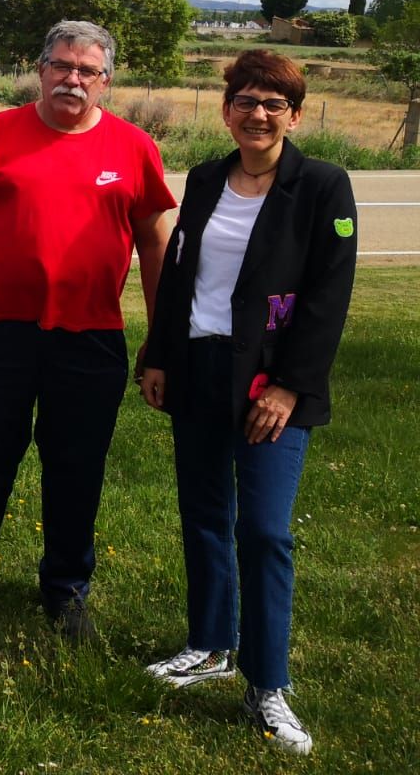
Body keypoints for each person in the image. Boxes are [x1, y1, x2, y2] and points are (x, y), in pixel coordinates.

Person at [0, 20, 174, 641]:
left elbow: (155, 244)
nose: (72, 79)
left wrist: (162, 335)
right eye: (62, 65)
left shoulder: (134, 147)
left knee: (76, 467)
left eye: (87, 70)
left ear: (106, 81)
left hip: (90, 336)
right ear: (40, 70)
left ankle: (65, 587)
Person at [139, 50, 355, 755]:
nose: (257, 115)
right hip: (198, 366)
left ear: (295, 115)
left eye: (273, 104)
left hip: (268, 384)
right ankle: (210, 645)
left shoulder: (322, 186)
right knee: (204, 513)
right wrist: (159, 355)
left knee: (263, 531)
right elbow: (180, 276)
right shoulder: (205, 179)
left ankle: (267, 683)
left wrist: (290, 386)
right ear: (227, 109)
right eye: (245, 101)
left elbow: (327, 296)